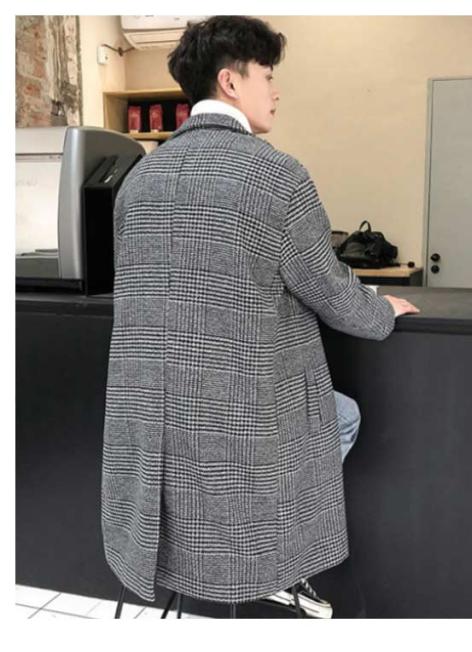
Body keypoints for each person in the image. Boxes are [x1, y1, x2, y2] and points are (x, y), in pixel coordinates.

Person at [101, 15, 419, 619]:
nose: (275, 91)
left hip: (154, 429)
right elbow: (331, 291)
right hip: (241, 428)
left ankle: (210, 560)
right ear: (230, 81)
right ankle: (273, 562)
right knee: (341, 416)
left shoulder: (138, 181)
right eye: (267, 76)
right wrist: (383, 309)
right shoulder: (278, 176)